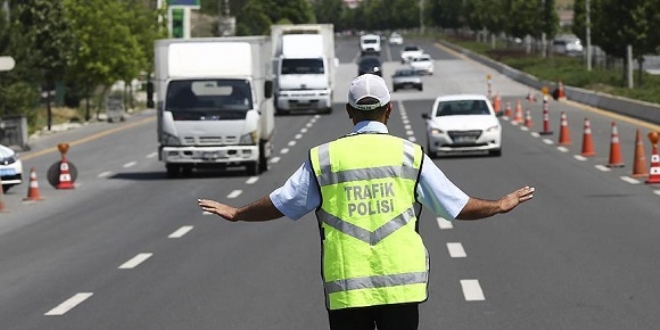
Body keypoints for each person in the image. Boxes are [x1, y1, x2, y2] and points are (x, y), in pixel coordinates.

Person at [198, 74, 535, 330]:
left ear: (349, 112)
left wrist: (237, 213)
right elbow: (456, 206)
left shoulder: (325, 158)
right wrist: (499, 205)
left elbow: (283, 202)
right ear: (389, 110)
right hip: (402, 288)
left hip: (347, 286)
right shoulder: (409, 155)